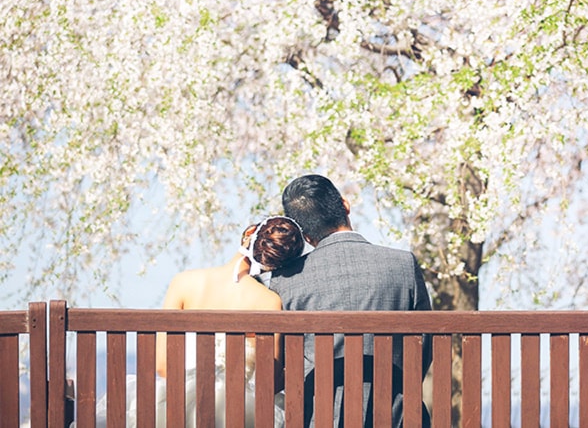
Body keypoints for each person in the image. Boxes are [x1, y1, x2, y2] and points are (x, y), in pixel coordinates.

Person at [84, 216, 311, 428]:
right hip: (240, 414)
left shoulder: (184, 282)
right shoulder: (269, 301)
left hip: (174, 409)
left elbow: (163, 366)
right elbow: (268, 382)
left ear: (249, 234)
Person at [261, 174, 433, 428]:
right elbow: (423, 349)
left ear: (304, 235)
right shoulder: (403, 264)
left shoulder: (284, 280)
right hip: (397, 418)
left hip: (315, 420)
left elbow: (279, 362)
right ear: (345, 205)